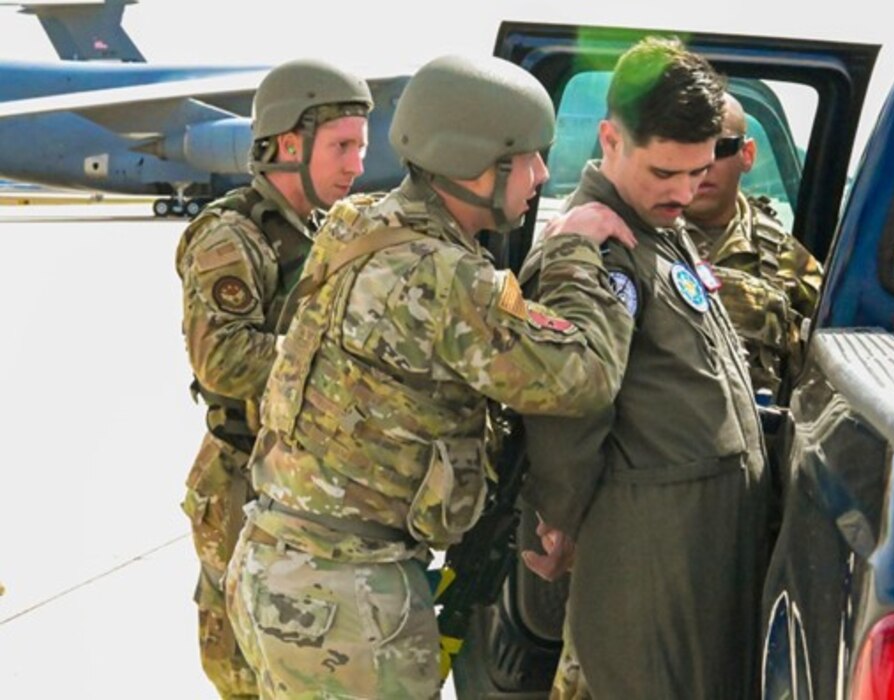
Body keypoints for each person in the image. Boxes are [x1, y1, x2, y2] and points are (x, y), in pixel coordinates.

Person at [223, 54, 636, 699]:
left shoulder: (359, 222)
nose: (539, 176)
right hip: (347, 597)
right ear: (472, 160)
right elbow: (582, 376)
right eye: (524, 157)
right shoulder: (443, 279)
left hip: (280, 566)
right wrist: (576, 251)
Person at [520, 37, 772, 699]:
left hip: (697, 542)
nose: (684, 191)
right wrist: (559, 519)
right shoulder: (594, 250)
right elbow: (567, 406)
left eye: (696, 172)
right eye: (664, 173)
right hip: (647, 547)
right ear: (610, 139)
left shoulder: (660, 228)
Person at [175, 58, 372, 700]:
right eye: (343, 147)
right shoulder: (231, 237)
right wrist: (336, 359)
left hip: (295, 478)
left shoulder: (320, 233)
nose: (356, 166)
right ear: (290, 144)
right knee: (245, 666)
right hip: (240, 477)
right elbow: (224, 359)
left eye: (360, 148)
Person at [684, 93, 823, 399]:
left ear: (746, 155)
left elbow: (830, 356)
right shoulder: (638, 239)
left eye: (720, 148)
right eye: (688, 147)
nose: (702, 164)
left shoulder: (786, 257)